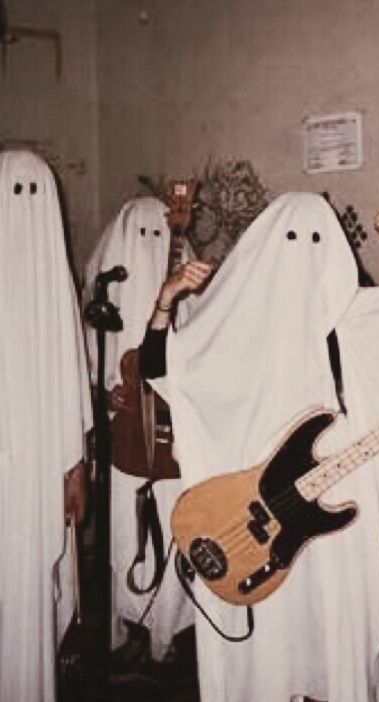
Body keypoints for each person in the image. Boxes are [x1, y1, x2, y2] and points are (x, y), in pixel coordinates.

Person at [139, 192, 379, 702]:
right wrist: (166, 300)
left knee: (337, 650)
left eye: (317, 242)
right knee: (266, 656)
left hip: (339, 526)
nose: (303, 256)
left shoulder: (355, 319)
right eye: (290, 241)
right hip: (253, 527)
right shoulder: (233, 326)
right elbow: (162, 370)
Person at [83, 196, 194, 665]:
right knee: (123, 536)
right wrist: (103, 394)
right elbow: (85, 361)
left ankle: (164, 634)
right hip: (122, 445)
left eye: (159, 236)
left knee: (170, 532)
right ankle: (120, 629)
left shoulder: (185, 290)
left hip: (174, 445)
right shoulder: (103, 299)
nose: (150, 249)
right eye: (141, 237)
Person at [0, 150, 92, 701]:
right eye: (16, 194)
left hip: (36, 478)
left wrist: (73, 468)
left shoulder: (56, 295)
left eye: (38, 194)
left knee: (30, 589)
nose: (26, 209)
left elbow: (71, 385)